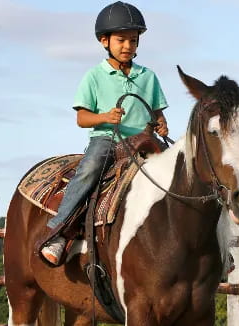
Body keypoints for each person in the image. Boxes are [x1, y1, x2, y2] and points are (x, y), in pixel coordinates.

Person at [41, 1, 169, 265]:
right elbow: (81, 118)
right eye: (121, 40)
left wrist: (161, 124)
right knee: (89, 170)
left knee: (183, 170)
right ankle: (59, 232)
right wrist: (104, 118)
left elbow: (156, 112)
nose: (127, 46)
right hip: (107, 140)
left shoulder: (148, 76)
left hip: (144, 140)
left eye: (133, 40)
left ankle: (211, 244)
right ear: (104, 41)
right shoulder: (94, 76)